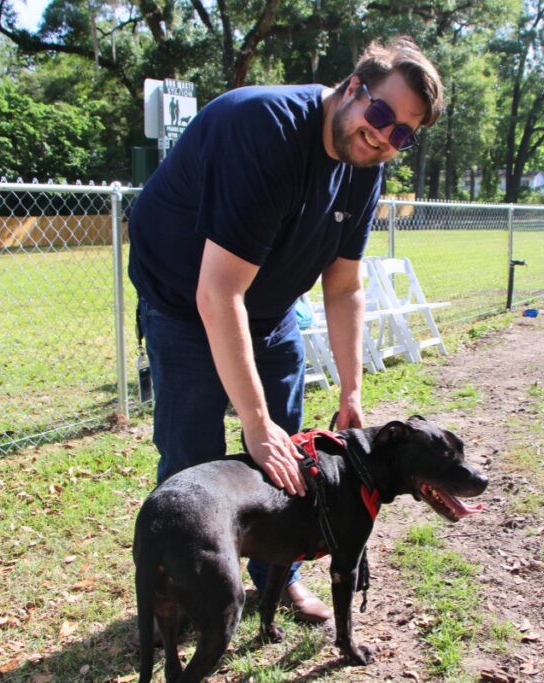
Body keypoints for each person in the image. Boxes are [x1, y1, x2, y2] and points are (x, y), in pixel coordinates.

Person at [128, 36, 444, 623]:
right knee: (193, 459)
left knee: (288, 460)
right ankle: (176, 591)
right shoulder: (264, 130)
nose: (384, 137)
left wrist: (351, 391)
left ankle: (278, 579)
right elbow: (217, 292)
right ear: (353, 88)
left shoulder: (363, 167)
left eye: (402, 133)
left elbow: (345, 287)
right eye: (380, 115)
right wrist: (252, 420)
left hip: (268, 310)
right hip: (183, 301)